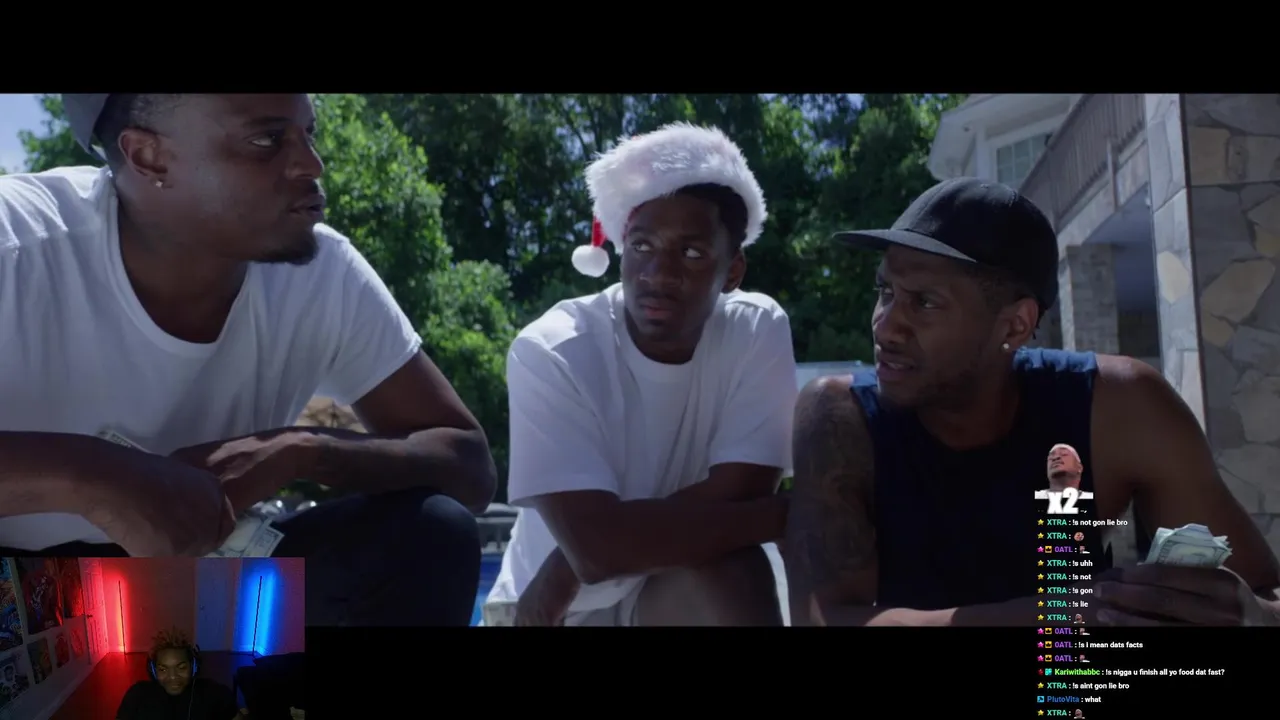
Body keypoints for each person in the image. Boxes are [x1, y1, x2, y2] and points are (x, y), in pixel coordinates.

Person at [0, 94, 496, 626]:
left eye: (309, 135)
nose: (312, 164)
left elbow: (468, 465)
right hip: (19, 607)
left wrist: (299, 451)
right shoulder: (18, 243)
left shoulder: (322, 275)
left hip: (195, 598)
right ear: (149, 157)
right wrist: (95, 477)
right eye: (266, 140)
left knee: (430, 535)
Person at [783, 176, 1280, 627]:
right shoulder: (840, 419)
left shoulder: (1118, 406)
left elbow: (1264, 594)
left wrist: (1241, 612)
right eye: (885, 291)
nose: (886, 326)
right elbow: (822, 621)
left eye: (924, 302)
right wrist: (1063, 617)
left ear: (1015, 325)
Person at [485, 123, 795, 626]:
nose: (658, 274)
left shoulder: (756, 329)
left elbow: (743, 492)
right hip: (547, 613)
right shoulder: (553, 349)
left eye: (691, 253)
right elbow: (596, 549)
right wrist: (781, 515)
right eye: (642, 246)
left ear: (733, 271)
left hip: (667, 585)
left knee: (736, 568)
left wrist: (577, 558)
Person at [115, 628, 243, 720]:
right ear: (153, 670)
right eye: (163, 669)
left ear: (194, 667)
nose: (172, 677)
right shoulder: (137, 695)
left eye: (181, 668)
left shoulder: (215, 693)